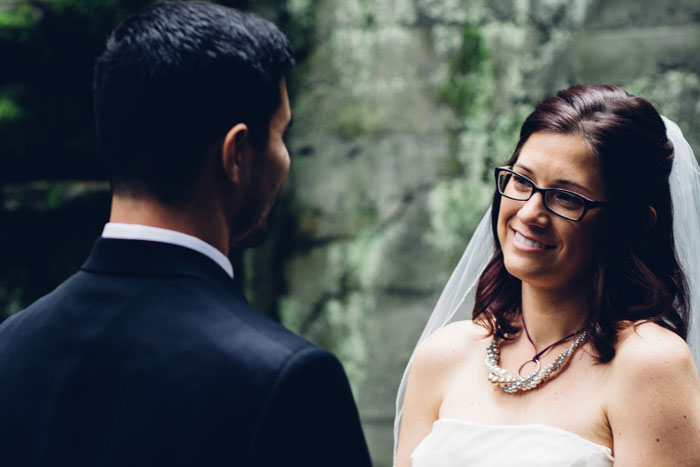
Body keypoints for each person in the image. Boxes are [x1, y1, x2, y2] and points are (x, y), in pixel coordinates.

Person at [0, 2, 372, 466]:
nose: (284, 158)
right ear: (236, 152)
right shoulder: (288, 381)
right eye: (280, 134)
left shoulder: (9, 348)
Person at [394, 84, 700, 466]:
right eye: (522, 181)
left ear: (633, 224)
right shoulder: (445, 354)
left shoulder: (648, 364)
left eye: (567, 197)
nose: (529, 214)